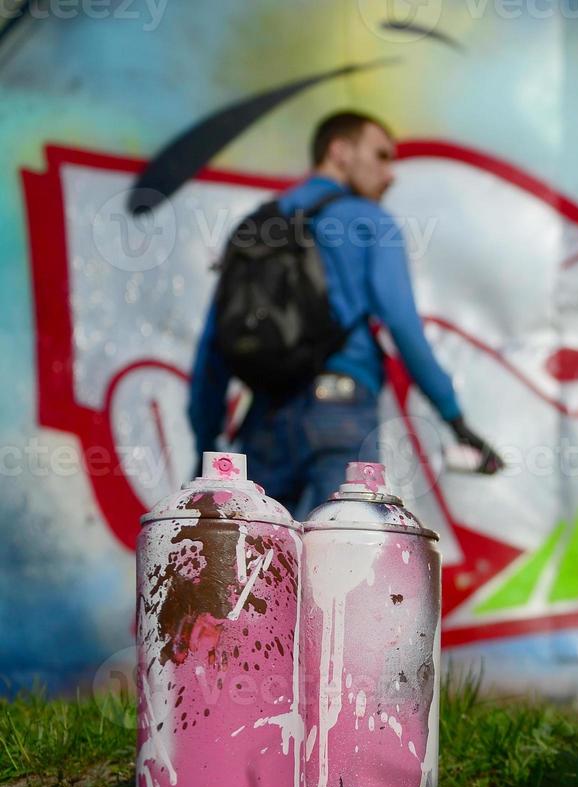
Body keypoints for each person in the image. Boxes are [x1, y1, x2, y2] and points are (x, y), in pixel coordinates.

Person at [188, 110, 502, 516]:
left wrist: (203, 448)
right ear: (339, 151)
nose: (391, 174)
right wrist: (455, 418)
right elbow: (403, 325)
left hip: (263, 427)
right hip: (340, 414)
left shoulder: (255, 227)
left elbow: (214, 346)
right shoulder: (370, 221)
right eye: (381, 155)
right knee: (338, 564)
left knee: (264, 571)